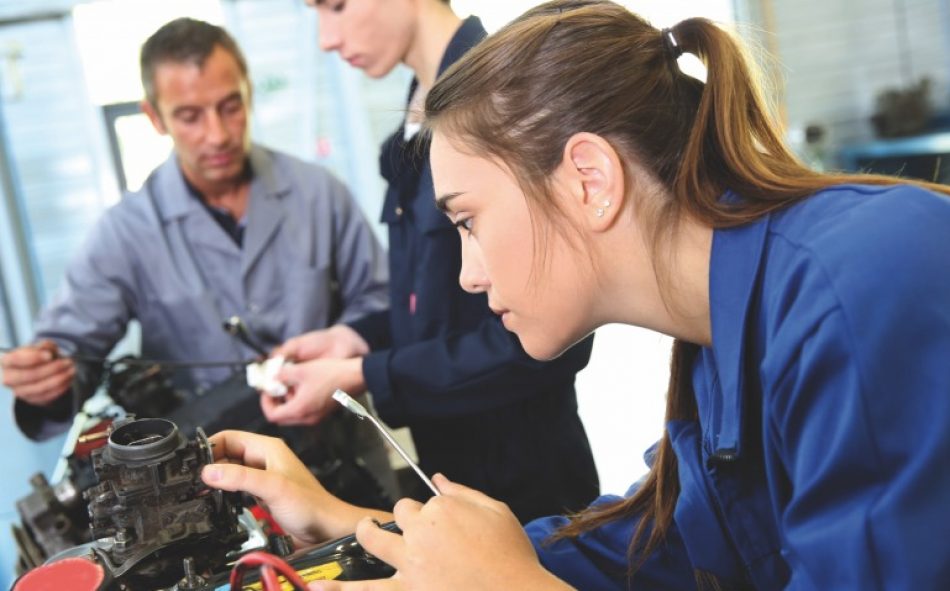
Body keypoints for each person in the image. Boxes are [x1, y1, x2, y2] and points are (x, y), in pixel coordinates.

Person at [200, 0, 950, 588]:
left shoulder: (863, 281)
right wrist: (350, 528)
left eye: (467, 220)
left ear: (588, 180)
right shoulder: (715, 351)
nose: (467, 273)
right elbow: (652, 549)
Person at [0, 18, 396, 502]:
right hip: (216, 490)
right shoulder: (126, 232)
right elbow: (69, 351)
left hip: (347, 462)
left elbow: (382, 303)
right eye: (190, 116)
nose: (218, 135)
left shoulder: (319, 195)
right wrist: (47, 380)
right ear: (154, 117)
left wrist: (341, 347)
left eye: (230, 106)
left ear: (248, 92)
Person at [258, 0, 600, 523]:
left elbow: (542, 341)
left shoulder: (500, 99)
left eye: (336, 6)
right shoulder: (417, 121)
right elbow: (431, 302)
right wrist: (356, 341)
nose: (326, 37)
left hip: (529, 488)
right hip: (452, 477)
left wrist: (362, 374)